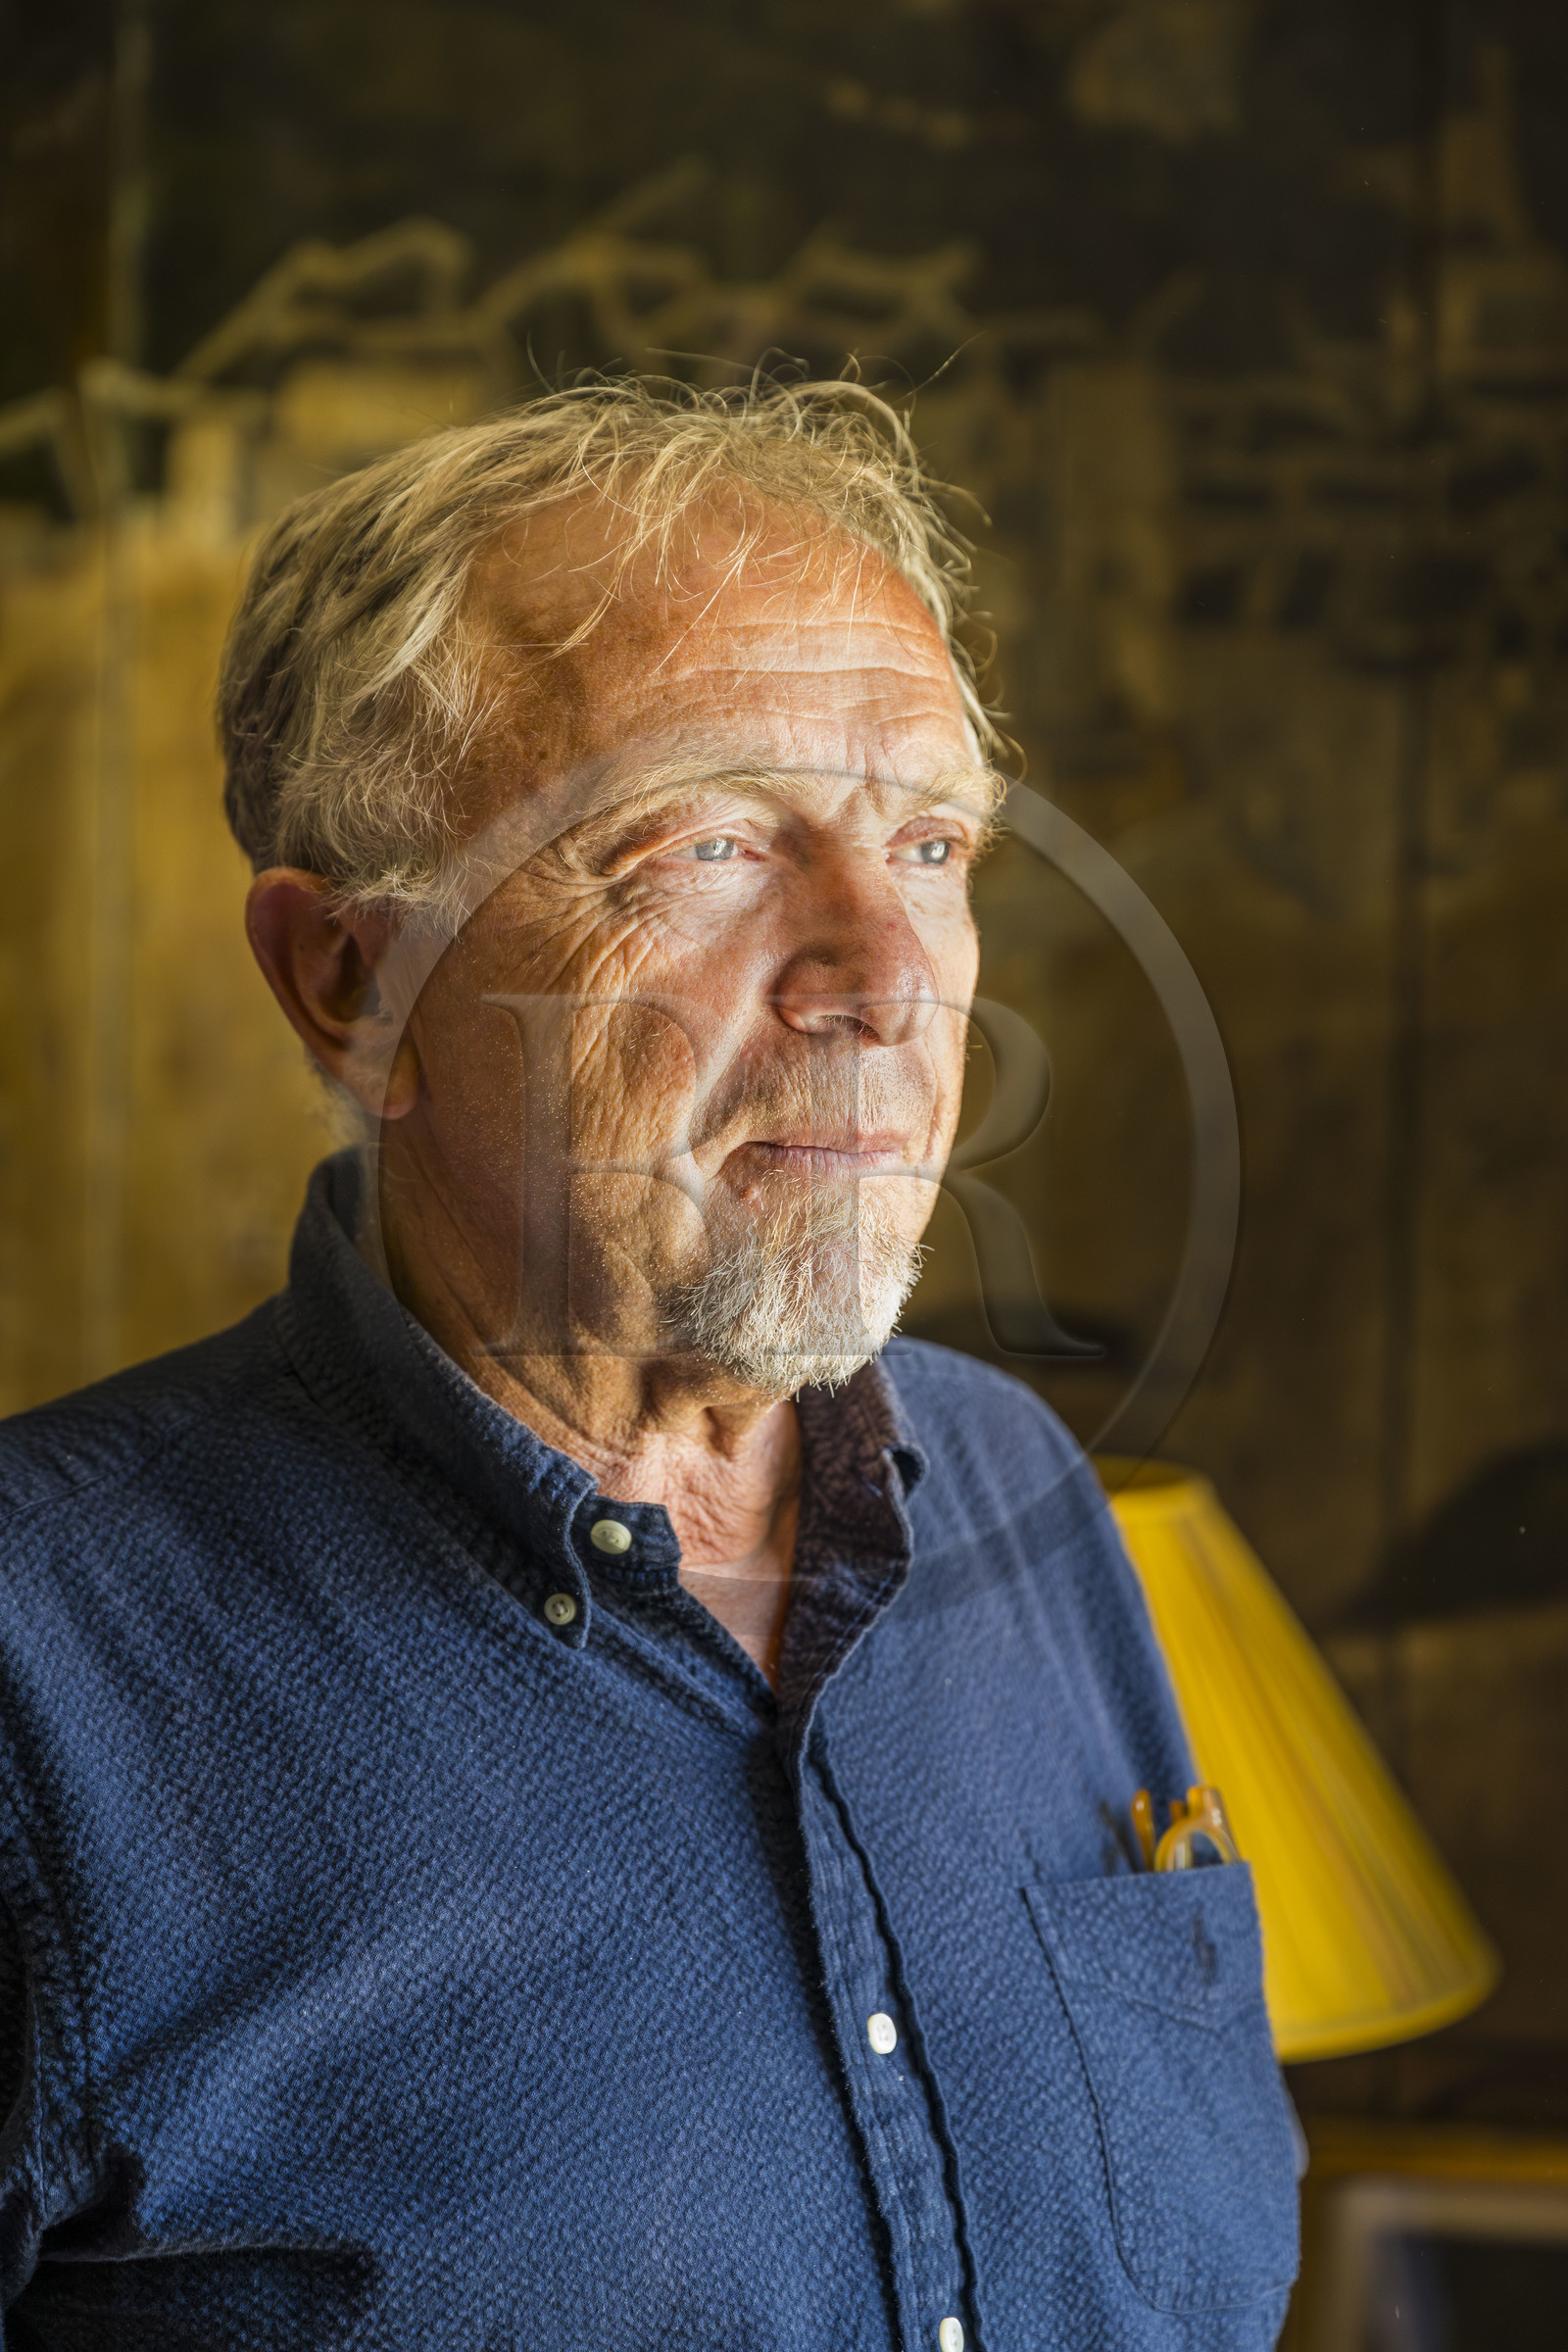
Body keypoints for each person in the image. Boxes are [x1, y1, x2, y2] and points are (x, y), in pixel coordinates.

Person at [0, 382, 1298, 2348]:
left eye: (931, 839)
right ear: (354, 983)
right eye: (704, 838)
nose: (883, 968)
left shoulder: (1022, 1489)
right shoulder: (40, 1665)